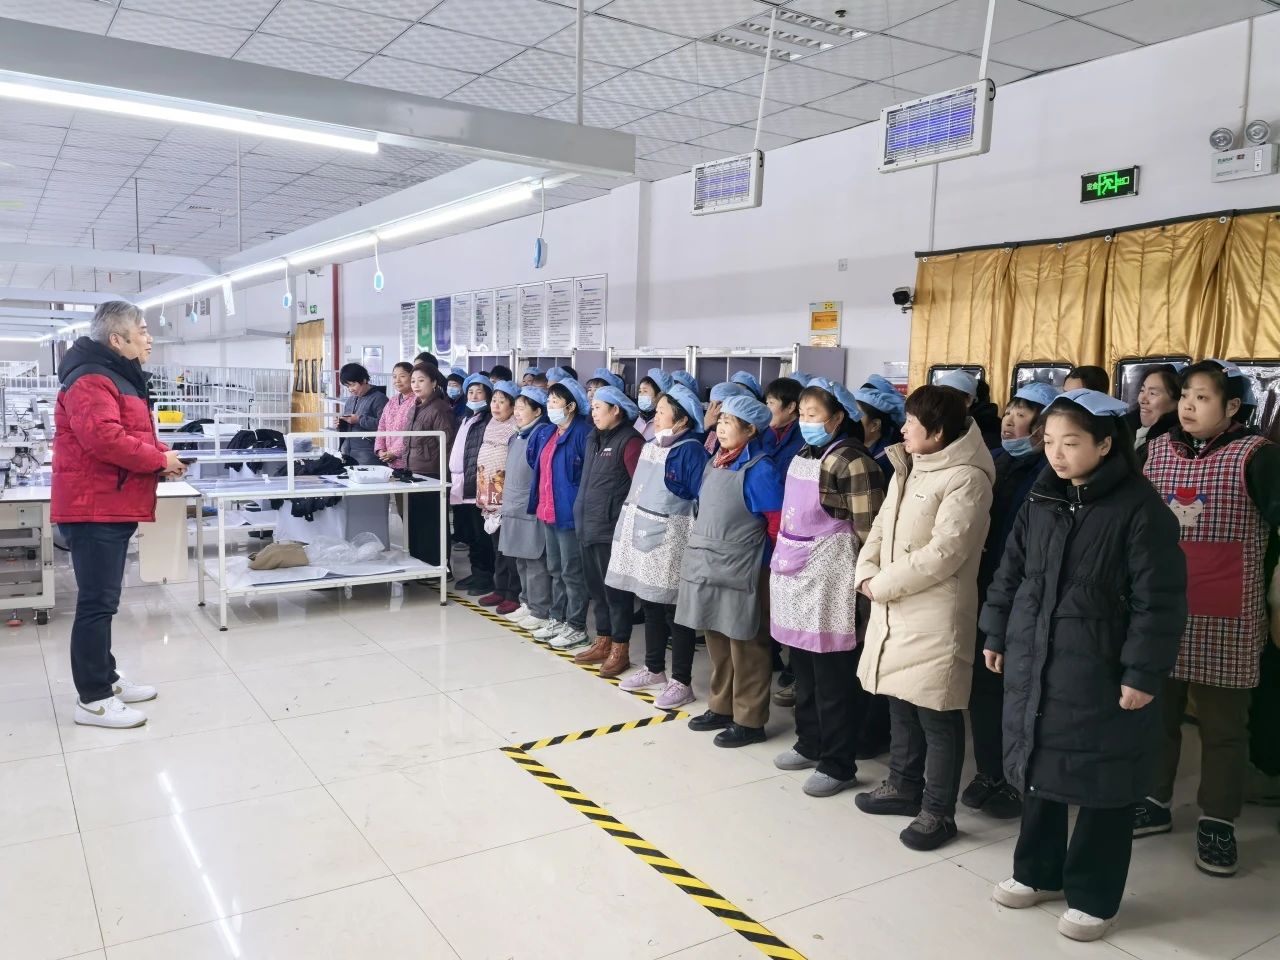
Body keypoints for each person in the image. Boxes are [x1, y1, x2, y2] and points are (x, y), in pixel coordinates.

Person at [981, 389, 1186, 942]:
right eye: (1049, 442)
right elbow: (1010, 571)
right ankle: (1038, 872)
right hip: (1037, 656)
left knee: (1103, 778)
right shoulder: (1042, 498)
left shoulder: (1142, 510)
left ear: (1105, 444)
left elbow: (1159, 602)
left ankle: (1096, 897)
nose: (1056, 454)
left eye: (1070, 443)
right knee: (1039, 765)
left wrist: (1142, 672)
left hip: (1101, 666)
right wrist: (996, 631)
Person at [1139, 359, 1280, 876]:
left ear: (1232, 406)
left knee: (1224, 728)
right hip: (1162, 607)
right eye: (1185, 396)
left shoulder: (1258, 456)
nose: (1188, 406)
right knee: (1156, 715)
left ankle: (1218, 820)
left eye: (1202, 397)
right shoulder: (1156, 450)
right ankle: (1153, 800)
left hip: (1229, 615)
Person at [853, 385, 995, 851]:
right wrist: (865, 572)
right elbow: (880, 527)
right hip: (894, 602)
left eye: (911, 424)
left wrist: (882, 585)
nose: (902, 429)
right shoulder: (910, 464)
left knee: (937, 713)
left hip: (934, 613)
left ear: (936, 433)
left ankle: (938, 812)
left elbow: (945, 553)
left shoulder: (967, 478)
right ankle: (902, 785)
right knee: (900, 700)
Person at [53, 301, 187, 729]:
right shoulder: (92, 378)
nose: (150, 338)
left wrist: (160, 457)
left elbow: (126, 433)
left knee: (105, 600)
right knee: (96, 602)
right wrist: (158, 460)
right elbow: (105, 439)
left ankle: (106, 679)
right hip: (93, 506)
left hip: (109, 502)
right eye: (142, 331)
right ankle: (92, 699)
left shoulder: (115, 375)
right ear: (117, 339)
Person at [771, 381, 885, 796]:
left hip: (831, 582)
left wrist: (865, 583)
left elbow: (871, 532)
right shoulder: (804, 454)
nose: (805, 422)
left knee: (833, 678)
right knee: (802, 668)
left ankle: (838, 763)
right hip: (795, 574)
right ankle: (809, 742)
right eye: (802, 414)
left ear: (838, 417)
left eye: (814, 415)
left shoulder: (853, 461)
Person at [963, 380, 1060, 821]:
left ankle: (1018, 782)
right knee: (985, 687)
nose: (1010, 421)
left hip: (1027, 596)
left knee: (1020, 693)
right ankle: (990, 771)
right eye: (1009, 412)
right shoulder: (996, 461)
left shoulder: (1049, 475)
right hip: (990, 590)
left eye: (1023, 415)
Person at [679, 394, 785, 748]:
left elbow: (775, 523)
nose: (721, 427)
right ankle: (721, 706)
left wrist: (768, 567)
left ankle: (750, 720)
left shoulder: (760, 469)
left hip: (746, 568)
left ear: (751, 429)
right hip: (710, 562)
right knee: (717, 638)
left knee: (747, 644)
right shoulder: (716, 461)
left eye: (729, 422)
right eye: (720, 421)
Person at [609, 385, 709, 709]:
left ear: (682, 420)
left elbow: (698, 500)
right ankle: (654, 670)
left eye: (663, 411)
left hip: (671, 541)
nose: (656, 415)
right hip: (644, 538)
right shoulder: (652, 445)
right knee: (650, 603)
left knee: (675, 611)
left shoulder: (691, 451)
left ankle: (681, 681)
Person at [572, 386, 644, 678]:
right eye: (592, 407)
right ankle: (603, 640)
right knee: (597, 589)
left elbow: (639, 488)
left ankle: (620, 648)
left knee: (615, 593)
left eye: (599, 407)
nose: (594, 413)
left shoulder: (631, 441)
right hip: (588, 524)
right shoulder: (593, 438)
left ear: (616, 410)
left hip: (611, 528)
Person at [527, 378, 592, 649]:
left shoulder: (583, 434)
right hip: (548, 509)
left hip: (569, 514)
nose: (550, 406)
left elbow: (587, 476)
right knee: (555, 568)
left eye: (555, 402)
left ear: (571, 406)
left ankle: (576, 626)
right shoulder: (549, 432)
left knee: (572, 571)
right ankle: (558, 617)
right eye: (549, 401)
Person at [762, 374, 808, 709]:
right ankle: (774, 653)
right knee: (769, 601)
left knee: (793, 602)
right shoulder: (768, 434)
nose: (767, 410)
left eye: (772, 404)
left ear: (791, 408)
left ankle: (795, 669)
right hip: (766, 527)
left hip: (790, 530)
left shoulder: (801, 442)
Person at [500, 387, 554, 631]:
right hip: (513, 504)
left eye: (523, 408)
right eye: (517, 408)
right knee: (520, 559)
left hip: (530, 507)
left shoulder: (542, 435)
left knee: (535, 561)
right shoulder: (516, 436)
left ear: (538, 411)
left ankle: (540, 609)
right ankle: (526, 602)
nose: (517, 413)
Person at [475, 380, 521, 613]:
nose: (496, 406)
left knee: (510, 547)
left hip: (507, 495)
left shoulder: (516, 427)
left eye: (502, 402)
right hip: (488, 493)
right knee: (497, 546)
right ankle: (499, 588)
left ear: (513, 406)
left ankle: (513, 593)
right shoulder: (491, 423)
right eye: (494, 400)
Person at [405, 363, 457, 569]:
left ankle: (439, 566)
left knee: (433, 523)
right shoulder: (415, 407)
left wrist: (445, 477)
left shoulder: (440, 409)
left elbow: (448, 445)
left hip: (433, 473)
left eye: (421, 380)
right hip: (414, 472)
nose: (416, 385)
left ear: (434, 382)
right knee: (417, 522)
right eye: (413, 381)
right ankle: (420, 566)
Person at [451, 373, 497, 596]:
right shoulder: (467, 418)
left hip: (476, 483)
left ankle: (485, 576)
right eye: (470, 392)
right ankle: (475, 571)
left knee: (481, 534)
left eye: (479, 392)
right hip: (462, 483)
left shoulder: (488, 420)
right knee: (470, 532)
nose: (474, 396)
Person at [1127, 363, 1180, 462]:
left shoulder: (1176, 444)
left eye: (1152, 393)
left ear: (1177, 401)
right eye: (1142, 390)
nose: (1142, 399)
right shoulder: (1124, 428)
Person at [337, 363, 388, 465]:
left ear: (364, 380)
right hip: (348, 453)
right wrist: (341, 424)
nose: (350, 389)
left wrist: (359, 420)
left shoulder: (380, 399)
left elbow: (385, 426)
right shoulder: (351, 400)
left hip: (369, 455)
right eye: (347, 386)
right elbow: (349, 425)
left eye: (353, 385)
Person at [937, 369, 1001, 449]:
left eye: (950, 399)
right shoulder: (950, 421)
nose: (943, 404)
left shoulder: (987, 430)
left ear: (969, 400)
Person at [374, 361, 416, 470]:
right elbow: (382, 426)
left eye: (402, 376)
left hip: (409, 462)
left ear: (412, 378)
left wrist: (394, 452)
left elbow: (412, 430)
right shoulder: (392, 400)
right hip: (388, 460)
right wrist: (380, 450)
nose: (397, 380)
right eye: (394, 376)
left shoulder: (417, 400)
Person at [701, 382, 752, 455]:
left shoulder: (737, 433)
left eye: (719, 404)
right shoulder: (713, 428)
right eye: (711, 403)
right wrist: (705, 427)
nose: (713, 409)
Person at [633, 368, 671, 442]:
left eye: (645, 391)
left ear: (659, 395)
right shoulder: (640, 417)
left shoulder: (663, 421)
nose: (641, 395)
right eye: (640, 391)